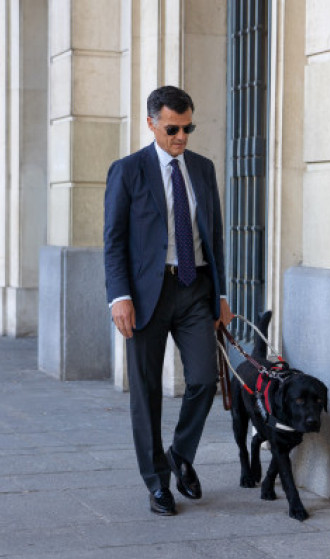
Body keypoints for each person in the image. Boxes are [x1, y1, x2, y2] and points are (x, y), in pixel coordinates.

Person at [104, 86, 233, 516]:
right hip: (146, 295)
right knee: (146, 392)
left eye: (188, 127)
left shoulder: (202, 168)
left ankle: (180, 454)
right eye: (173, 128)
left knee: (203, 379)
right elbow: (114, 241)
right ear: (151, 124)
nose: (181, 136)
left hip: (194, 289)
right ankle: (158, 483)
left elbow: (213, 235)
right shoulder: (128, 171)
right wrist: (119, 296)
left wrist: (221, 294)